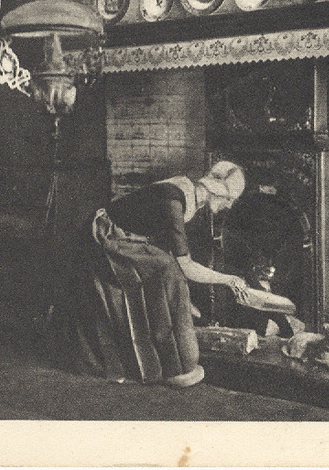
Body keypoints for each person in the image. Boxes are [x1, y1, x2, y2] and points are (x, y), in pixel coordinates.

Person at [71, 161, 249, 387]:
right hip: (105, 238)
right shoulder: (173, 200)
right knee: (167, 269)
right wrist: (229, 280)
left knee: (166, 270)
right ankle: (171, 366)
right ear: (216, 190)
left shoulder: (190, 201)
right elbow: (186, 266)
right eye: (229, 198)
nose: (229, 205)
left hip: (128, 239)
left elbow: (171, 249)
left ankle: (169, 365)